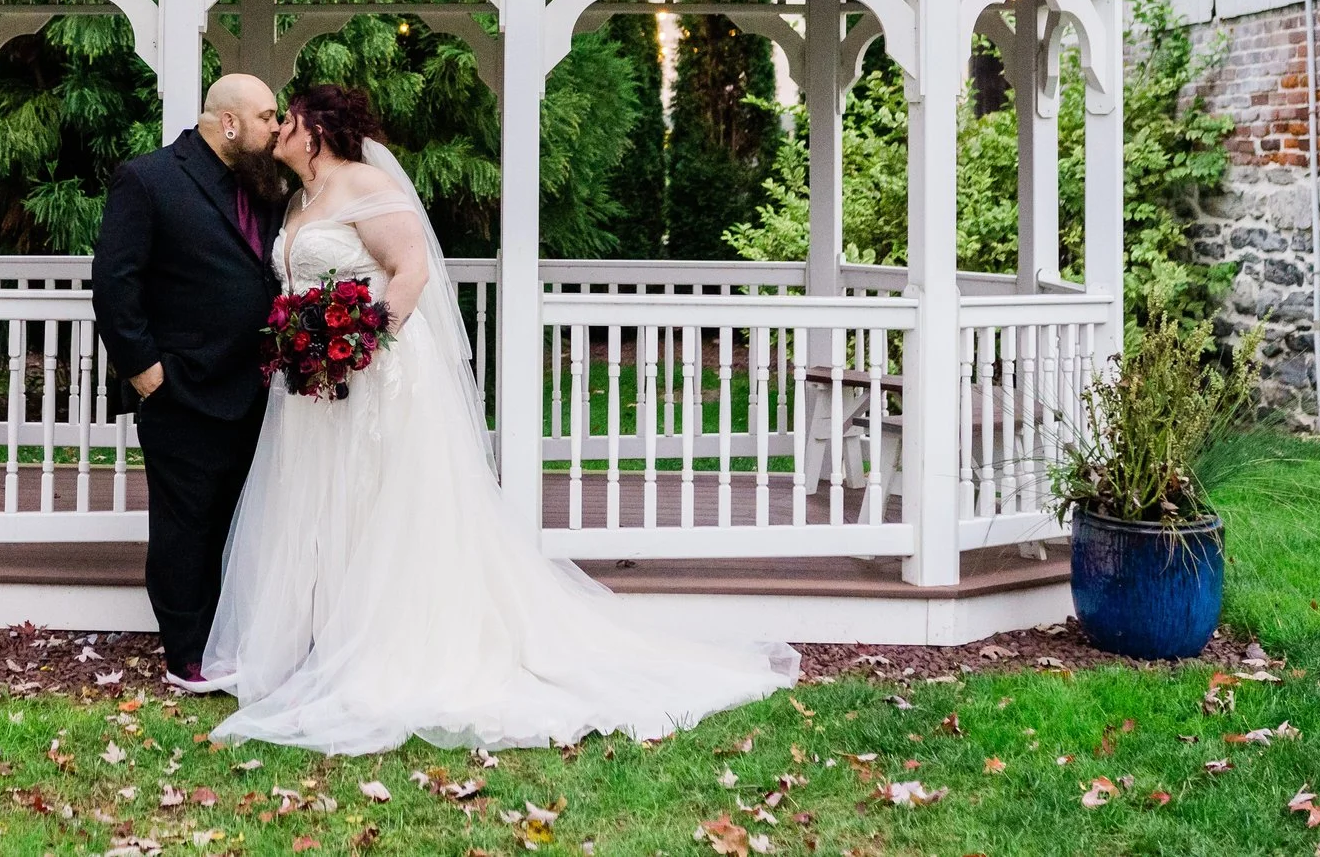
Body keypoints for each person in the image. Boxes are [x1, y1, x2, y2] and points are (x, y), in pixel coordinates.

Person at [201, 84, 799, 752]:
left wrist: (362, 343)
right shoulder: (298, 199)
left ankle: (393, 643)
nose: (280, 127)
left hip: (376, 376)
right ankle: (330, 637)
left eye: (291, 118)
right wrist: (305, 344)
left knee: (384, 505)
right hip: (313, 384)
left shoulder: (364, 183)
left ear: (319, 129)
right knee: (327, 504)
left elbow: (410, 269)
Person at [89, 73, 286, 690]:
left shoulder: (268, 186)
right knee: (186, 524)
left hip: (261, 388)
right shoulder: (149, 179)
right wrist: (146, 373)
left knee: (242, 519)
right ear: (229, 122)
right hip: (183, 387)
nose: (276, 128)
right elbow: (115, 281)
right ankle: (187, 654)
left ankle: (233, 638)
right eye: (267, 117)